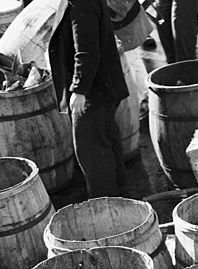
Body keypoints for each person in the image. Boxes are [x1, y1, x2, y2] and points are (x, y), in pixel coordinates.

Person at [51, 0, 129, 197]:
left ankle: (106, 204)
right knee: (106, 140)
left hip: (95, 91)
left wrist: (79, 90)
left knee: (92, 152)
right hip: (105, 87)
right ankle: (121, 196)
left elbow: (86, 51)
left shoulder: (81, 3)